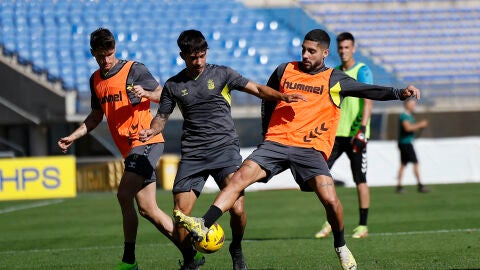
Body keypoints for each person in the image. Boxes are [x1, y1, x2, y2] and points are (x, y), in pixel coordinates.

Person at [172, 29, 421, 270]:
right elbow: (267, 98)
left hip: (310, 149)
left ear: (324, 54)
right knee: (238, 180)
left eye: (311, 51)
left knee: (331, 200)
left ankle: (341, 246)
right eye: (303, 49)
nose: (305, 55)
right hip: (276, 143)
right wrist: (266, 134)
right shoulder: (284, 69)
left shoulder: (334, 79)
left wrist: (400, 93)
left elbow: (369, 90)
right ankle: (204, 223)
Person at [138, 29, 304, 270]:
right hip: (193, 155)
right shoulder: (173, 85)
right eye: (193, 57)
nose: (198, 62)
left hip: (225, 151)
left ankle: (236, 248)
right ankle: (190, 260)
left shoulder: (223, 74)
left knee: (237, 209)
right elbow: (162, 116)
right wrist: (152, 130)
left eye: (202, 56)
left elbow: (257, 89)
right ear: (182, 55)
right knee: (181, 215)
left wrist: (282, 97)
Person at [57, 28, 202, 270]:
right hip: (130, 150)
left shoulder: (133, 69)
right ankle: (192, 256)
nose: (107, 60)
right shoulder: (95, 80)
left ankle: (129, 261)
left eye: (110, 53)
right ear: (92, 54)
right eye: (101, 56)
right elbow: (95, 116)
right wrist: (73, 136)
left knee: (123, 194)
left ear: (115, 48)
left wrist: (146, 92)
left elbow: (163, 95)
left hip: (146, 141)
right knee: (148, 210)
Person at [315, 32, 373, 240]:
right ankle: (331, 220)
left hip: (356, 134)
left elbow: (368, 100)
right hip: (335, 135)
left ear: (353, 48)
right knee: (322, 176)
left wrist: (363, 129)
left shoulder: (362, 71)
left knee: (360, 179)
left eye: (347, 47)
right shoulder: (335, 72)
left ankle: (362, 226)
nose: (343, 51)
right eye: (340, 48)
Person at [396, 98, 430, 193]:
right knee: (415, 163)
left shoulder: (410, 116)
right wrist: (420, 125)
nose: (414, 106)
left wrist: (420, 127)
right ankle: (420, 185)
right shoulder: (404, 116)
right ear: (407, 105)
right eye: (412, 104)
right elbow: (408, 128)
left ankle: (399, 186)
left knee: (403, 164)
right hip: (405, 143)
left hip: (406, 143)